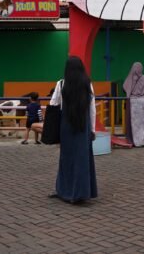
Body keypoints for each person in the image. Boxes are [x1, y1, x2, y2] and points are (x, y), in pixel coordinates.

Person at [49, 56, 97, 204]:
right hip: (83, 126)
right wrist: (93, 129)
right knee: (82, 158)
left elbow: (53, 104)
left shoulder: (61, 84)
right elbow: (92, 108)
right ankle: (82, 192)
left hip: (66, 126)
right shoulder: (87, 84)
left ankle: (65, 190)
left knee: (66, 158)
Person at [123, 62, 144, 147]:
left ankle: (137, 141)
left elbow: (125, 89)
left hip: (134, 102)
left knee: (135, 124)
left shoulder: (129, 79)